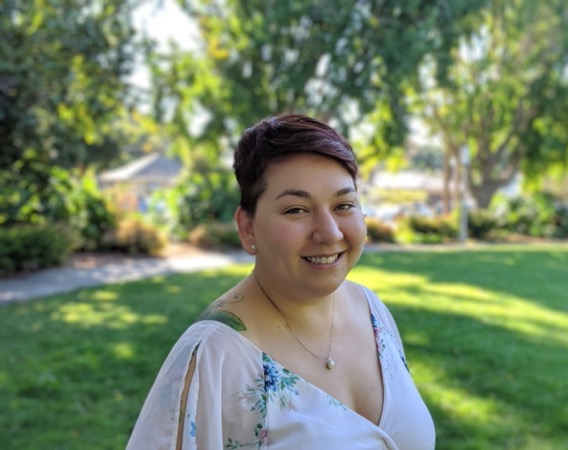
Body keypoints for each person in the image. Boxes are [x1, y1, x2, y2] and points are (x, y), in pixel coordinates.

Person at [126, 114, 435, 450]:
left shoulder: (372, 309)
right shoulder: (214, 357)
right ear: (248, 228)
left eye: (344, 205)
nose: (330, 233)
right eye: (296, 210)